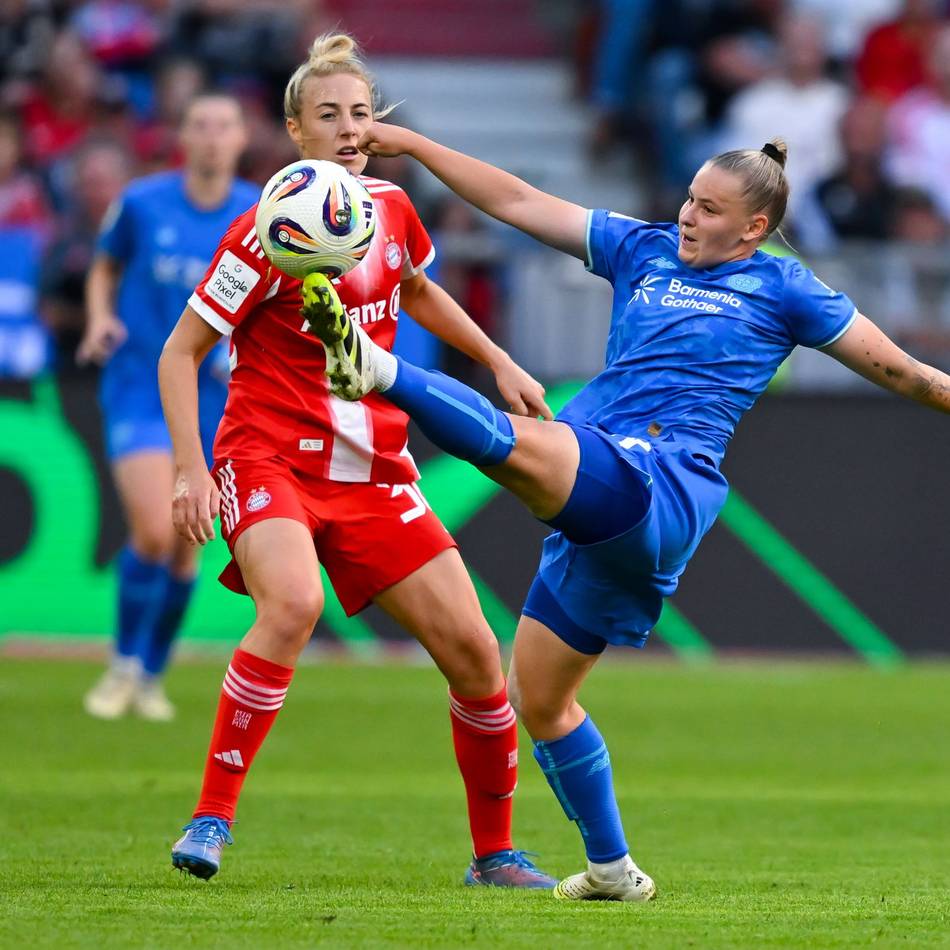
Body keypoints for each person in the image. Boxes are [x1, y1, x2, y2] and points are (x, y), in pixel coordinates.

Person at [294, 120, 950, 902]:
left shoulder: (787, 289)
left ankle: (374, 367)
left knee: (520, 445)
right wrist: (418, 146)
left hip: (662, 482)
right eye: (689, 199)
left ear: (754, 229)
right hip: (602, 496)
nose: (688, 216)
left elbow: (906, 374)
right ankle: (612, 869)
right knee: (540, 700)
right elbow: (519, 202)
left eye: (709, 210)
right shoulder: (643, 248)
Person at [159, 33, 557, 888]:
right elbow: (180, 351)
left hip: (374, 469)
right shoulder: (262, 233)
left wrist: (499, 360)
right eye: (329, 114)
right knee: (293, 603)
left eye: (361, 113)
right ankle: (211, 817)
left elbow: (418, 289)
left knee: (477, 654)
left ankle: (494, 855)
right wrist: (191, 470)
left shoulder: (391, 209)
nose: (349, 129)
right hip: (268, 456)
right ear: (294, 130)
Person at [80, 93, 255, 721]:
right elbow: (104, 266)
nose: (212, 137)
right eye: (200, 125)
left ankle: (151, 674)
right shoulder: (142, 203)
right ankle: (123, 665)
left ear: (242, 138)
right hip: (141, 382)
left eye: (224, 126)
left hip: (220, 401)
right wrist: (99, 318)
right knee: (155, 529)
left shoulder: (262, 214)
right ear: (182, 136)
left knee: (186, 546)